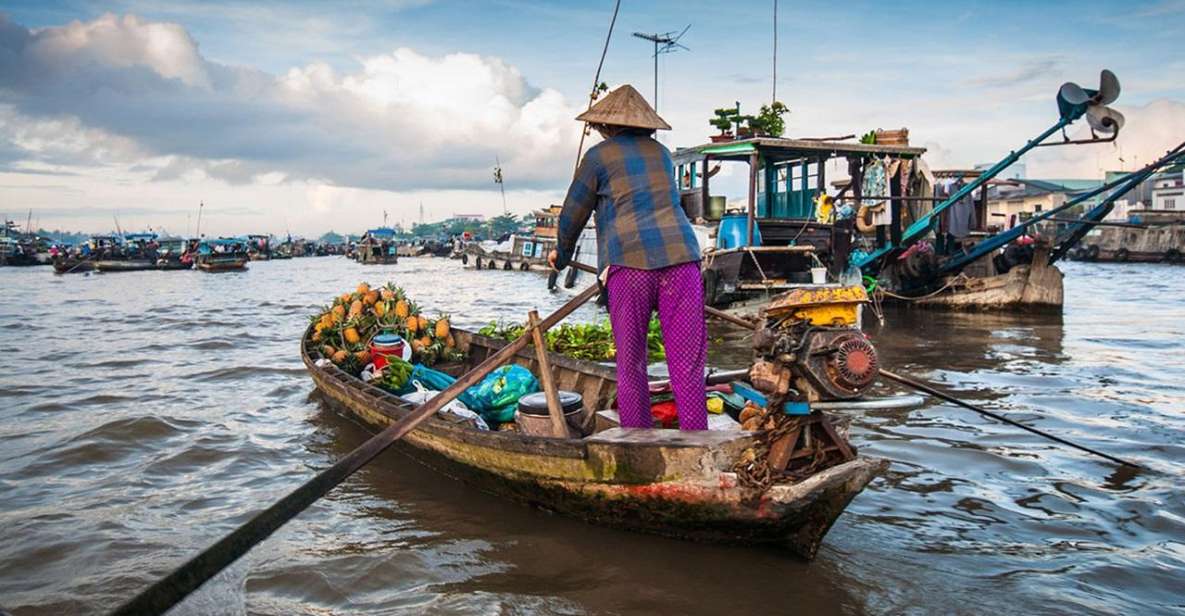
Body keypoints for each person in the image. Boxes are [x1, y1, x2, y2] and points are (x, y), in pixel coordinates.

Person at [548, 84, 707, 431]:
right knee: (687, 361)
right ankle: (697, 437)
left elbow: (573, 212)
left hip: (630, 265)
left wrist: (560, 256)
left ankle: (637, 436)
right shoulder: (662, 154)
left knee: (631, 360)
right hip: (682, 260)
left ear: (606, 126)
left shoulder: (597, 156)